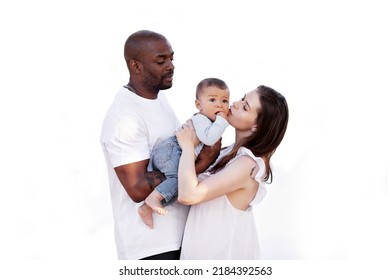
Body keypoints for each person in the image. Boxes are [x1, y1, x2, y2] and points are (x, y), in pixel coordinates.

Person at [100, 30, 220, 260]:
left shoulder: (158, 98)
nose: (171, 66)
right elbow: (136, 188)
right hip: (151, 246)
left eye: (172, 58)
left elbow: (178, 156)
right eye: (161, 60)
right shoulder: (124, 117)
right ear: (136, 66)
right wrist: (201, 162)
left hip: (182, 238)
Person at [176, 85, 289, 259]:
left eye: (245, 107)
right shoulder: (227, 153)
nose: (235, 103)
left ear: (257, 127)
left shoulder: (247, 165)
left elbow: (189, 195)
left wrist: (188, 146)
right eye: (242, 98)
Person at [138, 78, 230, 228]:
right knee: (178, 180)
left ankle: (146, 208)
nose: (219, 104)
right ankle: (153, 199)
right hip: (170, 151)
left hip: (173, 155)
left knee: (181, 186)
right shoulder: (201, 119)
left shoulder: (209, 122)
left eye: (225, 101)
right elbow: (209, 138)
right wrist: (223, 121)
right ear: (199, 105)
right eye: (212, 100)